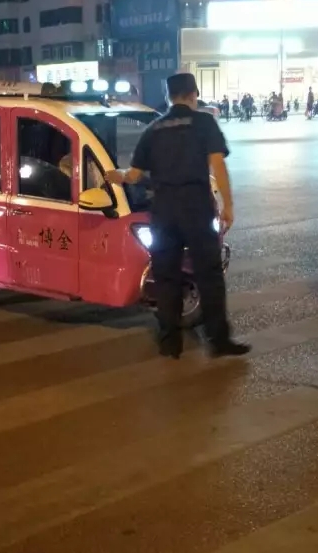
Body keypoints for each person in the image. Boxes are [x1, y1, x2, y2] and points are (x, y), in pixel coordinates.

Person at [104, 72, 250, 359]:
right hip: (197, 208)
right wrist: (228, 206)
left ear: (169, 97)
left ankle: (170, 343)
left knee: (166, 276)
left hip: (164, 211)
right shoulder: (204, 122)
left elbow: (134, 175)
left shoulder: (154, 129)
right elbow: (218, 166)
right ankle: (219, 341)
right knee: (209, 275)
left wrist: (114, 175)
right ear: (194, 94)